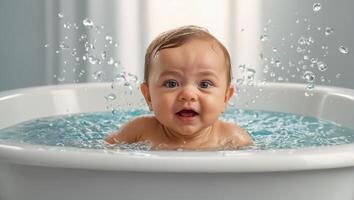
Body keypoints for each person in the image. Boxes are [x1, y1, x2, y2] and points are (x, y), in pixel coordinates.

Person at [105, 25, 253, 150]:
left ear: (225, 97)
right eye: (171, 84)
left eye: (204, 84)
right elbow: (101, 153)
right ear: (148, 96)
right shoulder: (139, 131)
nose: (188, 94)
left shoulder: (233, 139)